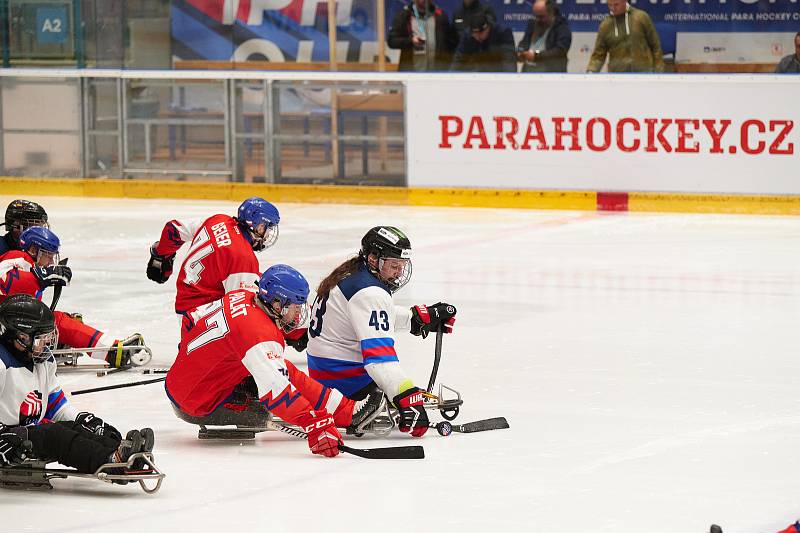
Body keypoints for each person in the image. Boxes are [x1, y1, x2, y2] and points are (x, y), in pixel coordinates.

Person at [166, 265, 354, 458]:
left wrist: (196, 360)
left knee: (279, 368)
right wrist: (313, 424)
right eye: (296, 307)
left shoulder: (242, 294)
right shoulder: (258, 335)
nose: (298, 314)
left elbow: (191, 318)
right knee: (276, 378)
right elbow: (278, 393)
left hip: (180, 382)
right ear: (278, 304)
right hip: (196, 402)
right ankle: (345, 412)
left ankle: (343, 409)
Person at [305, 226, 457, 438]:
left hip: (325, 373)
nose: (400, 272)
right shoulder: (370, 293)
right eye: (394, 265)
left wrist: (414, 319)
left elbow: (362, 317)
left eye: (402, 265)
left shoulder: (352, 273)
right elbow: (379, 361)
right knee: (400, 384)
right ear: (374, 258)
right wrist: (407, 398)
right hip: (347, 385)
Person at [0, 294, 155, 477]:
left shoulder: (43, 361)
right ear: (20, 337)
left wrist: (84, 421)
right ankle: (111, 460)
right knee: (54, 435)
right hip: (7, 439)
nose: (46, 344)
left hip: (26, 432)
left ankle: (121, 450)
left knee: (73, 428)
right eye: (40, 338)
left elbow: (55, 407)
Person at [0, 226, 145, 368]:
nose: (51, 262)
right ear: (33, 250)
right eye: (48, 255)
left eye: (53, 256)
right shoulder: (17, 257)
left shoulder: (30, 265)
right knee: (58, 321)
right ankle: (112, 351)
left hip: (11, 329)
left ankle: (104, 349)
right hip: (6, 329)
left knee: (63, 319)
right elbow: (4, 280)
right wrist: (40, 277)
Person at [147, 197, 280, 316]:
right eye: (268, 228)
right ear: (259, 226)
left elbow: (173, 230)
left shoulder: (219, 220)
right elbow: (243, 309)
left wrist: (160, 257)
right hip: (200, 318)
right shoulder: (243, 259)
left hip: (187, 301)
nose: (268, 235)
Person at [586, 0, 664, 73]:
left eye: (616, 4)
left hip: (643, 73)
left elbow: (656, 46)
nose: (612, 8)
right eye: (609, 5)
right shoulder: (605, 26)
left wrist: (658, 71)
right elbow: (598, 55)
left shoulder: (641, 18)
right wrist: (591, 72)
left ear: (625, 1)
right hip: (617, 75)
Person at [388, 0, 456, 72]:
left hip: (436, 73)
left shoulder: (441, 16)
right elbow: (392, 41)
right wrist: (410, 41)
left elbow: (450, 44)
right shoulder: (404, 15)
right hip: (411, 73)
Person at [517, 0, 572, 73]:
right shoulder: (532, 24)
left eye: (541, 16)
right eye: (535, 16)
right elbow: (524, 42)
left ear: (552, 13)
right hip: (528, 71)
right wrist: (520, 51)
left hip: (551, 74)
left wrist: (536, 56)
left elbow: (560, 51)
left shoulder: (562, 28)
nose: (538, 19)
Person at [451, 12, 517, 73]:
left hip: (497, 74)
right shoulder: (467, 35)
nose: (478, 36)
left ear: (488, 28)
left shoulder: (503, 33)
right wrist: (451, 76)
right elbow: (458, 58)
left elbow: (509, 60)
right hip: (475, 74)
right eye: (475, 34)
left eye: (481, 33)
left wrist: (508, 81)